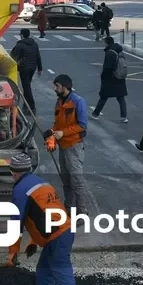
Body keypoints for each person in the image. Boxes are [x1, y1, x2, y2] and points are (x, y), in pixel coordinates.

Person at [6, 152, 95, 285]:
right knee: (44, 274)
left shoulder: (21, 190)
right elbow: (42, 216)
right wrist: (33, 242)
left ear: (13, 172)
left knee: (66, 284)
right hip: (62, 232)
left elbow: (16, 223)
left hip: (58, 239)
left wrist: (12, 253)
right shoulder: (40, 183)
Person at [50, 74, 97, 215]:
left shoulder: (78, 102)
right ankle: (69, 208)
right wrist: (51, 132)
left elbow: (82, 125)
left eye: (57, 86)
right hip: (62, 147)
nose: (55, 88)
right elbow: (57, 124)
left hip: (74, 147)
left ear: (65, 87)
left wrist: (63, 133)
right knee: (66, 180)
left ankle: (82, 212)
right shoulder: (59, 102)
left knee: (76, 180)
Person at [92, 37, 128, 123]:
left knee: (103, 96)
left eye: (105, 42)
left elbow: (107, 68)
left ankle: (96, 114)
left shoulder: (109, 53)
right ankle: (124, 116)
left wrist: (103, 77)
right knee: (121, 97)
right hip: (120, 77)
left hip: (110, 79)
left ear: (107, 43)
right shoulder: (120, 51)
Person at [10, 28, 43, 115]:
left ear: (22, 35)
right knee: (26, 87)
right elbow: (38, 56)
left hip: (24, 69)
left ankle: (32, 107)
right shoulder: (34, 44)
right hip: (32, 68)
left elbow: (12, 55)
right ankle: (26, 106)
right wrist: (40, 68)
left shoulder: (20, 45)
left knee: (26, 87)